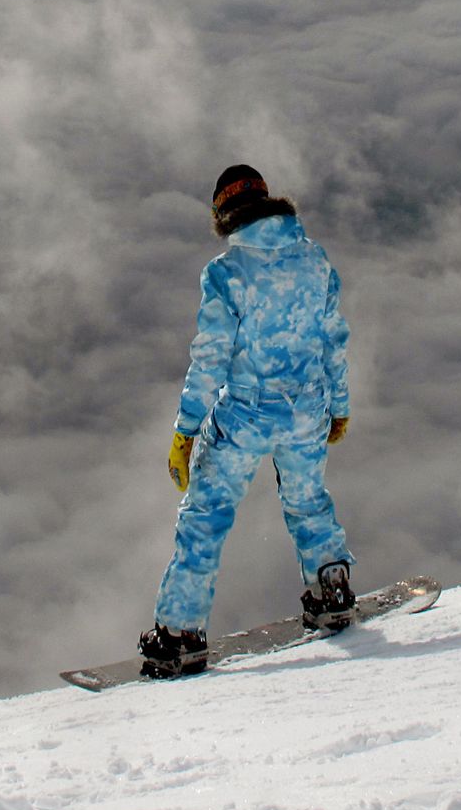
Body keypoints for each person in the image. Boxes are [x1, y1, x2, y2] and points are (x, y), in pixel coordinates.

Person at [139, 165, 355, 678]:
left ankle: (180, 634)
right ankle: (333, 590)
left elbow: (210, 358)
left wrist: (185, 430)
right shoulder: (315, 260)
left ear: (224, 214)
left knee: (205, 517)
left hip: (245, 413)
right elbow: (333, 340)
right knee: (308, 501)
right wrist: (339, 406)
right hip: (308, 408)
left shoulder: (226, 272)